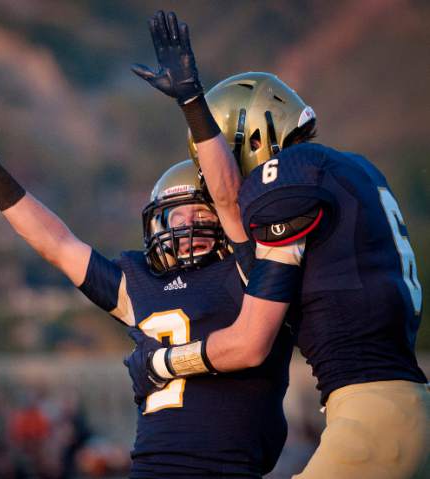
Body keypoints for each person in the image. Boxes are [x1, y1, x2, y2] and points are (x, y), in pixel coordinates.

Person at [126, 10, 429, 479]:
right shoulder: (353, 169)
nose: (224, 178)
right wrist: (193, 104)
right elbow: (230, 208)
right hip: (399, 407)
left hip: (371, 421)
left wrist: (162, 361)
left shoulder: (285, 178)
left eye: (227, 157)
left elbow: (249, 341)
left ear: (251, 139)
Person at [0, 85, 293, 478]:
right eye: (177, 216)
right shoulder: (138, 283)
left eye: (199, 213)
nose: (188, 224)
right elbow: (56, 243)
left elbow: (227, 196)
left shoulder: (248, 269)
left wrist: (193, 103)